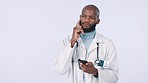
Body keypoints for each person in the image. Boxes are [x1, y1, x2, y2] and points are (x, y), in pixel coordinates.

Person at [55, 4, 119, 83]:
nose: (86, 20)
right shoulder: (67, 41)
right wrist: (73, 41)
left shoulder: (107, 44)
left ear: (98, 21)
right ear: (80, 17)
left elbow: (114, 77)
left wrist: (95, 72)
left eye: (91, 17)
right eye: (84, 16)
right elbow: (60, 69)